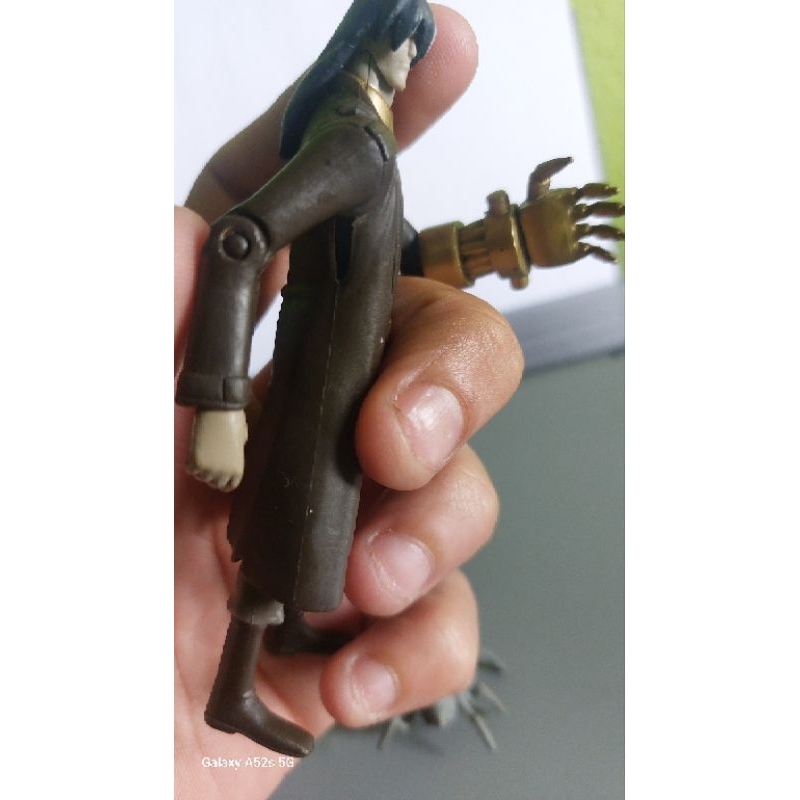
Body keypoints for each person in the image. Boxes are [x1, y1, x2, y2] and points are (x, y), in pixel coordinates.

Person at [175, 4, 523, 796]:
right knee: (301, 514)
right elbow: (240, 237)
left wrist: (502, 243)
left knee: (299, 519)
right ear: (371, 41)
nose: (409, 62)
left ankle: (255, 664)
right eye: (404, 44)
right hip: (326, 364)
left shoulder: (359, 134)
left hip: (336, 356)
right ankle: (234, 689)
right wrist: (218, 402)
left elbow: (389, 250)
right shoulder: (354, 139)